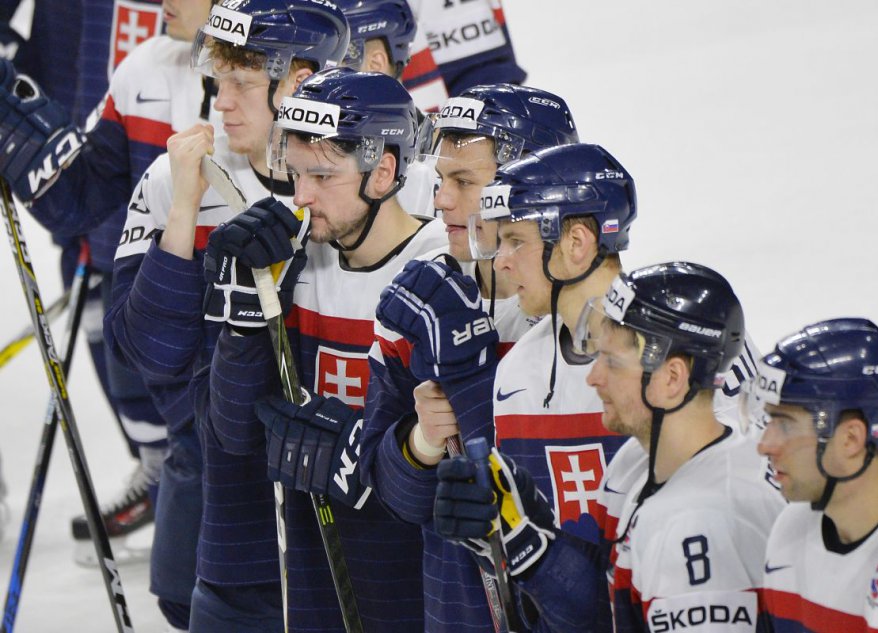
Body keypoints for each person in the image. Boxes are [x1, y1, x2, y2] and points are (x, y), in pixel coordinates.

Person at [103, 1, 349, 630]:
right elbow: (144, 355)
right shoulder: (173, 176)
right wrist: (183, 213)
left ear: (298, 82)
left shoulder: (365, 183)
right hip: (230, 514)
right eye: (218, 79)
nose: (221, 100)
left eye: (242, 82)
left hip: (349, 517)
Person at [201, 66, 445, 630]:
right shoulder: (292, 259)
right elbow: (234, 432)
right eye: (295, 172)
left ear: (382, 172)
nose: (301, 196)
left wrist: (355, 457)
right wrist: (243, 326)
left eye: (322, 175)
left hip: (419, 581)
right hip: (314, 575)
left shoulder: (441, 270)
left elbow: (457, 458)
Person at [434, 262, 785, 632]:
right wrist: (529, 536)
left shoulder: (710, 519)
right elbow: (605, 609)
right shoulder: (634, 463)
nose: (593, 377)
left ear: (672, 377)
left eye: (612, 362)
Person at [0, 0, 214, 575]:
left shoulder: (299, 80)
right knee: (182, 590)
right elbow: (79, 194)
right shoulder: (145, 67)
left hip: (267, 402)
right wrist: (10, 118)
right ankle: (161, 463)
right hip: (194, 406)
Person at [361, 82, 579, 630]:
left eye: (463, 182)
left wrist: (468, 381)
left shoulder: (605, 316)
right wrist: (422, 442)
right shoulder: (421, 297)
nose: (440, 201)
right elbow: (390, 495)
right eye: (440, 181)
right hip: (456, 610)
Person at [752, 318, 878, 632]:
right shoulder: (789, 531)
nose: (765, 445)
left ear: (851, 438)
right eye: (769, 422)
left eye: (785, 425)